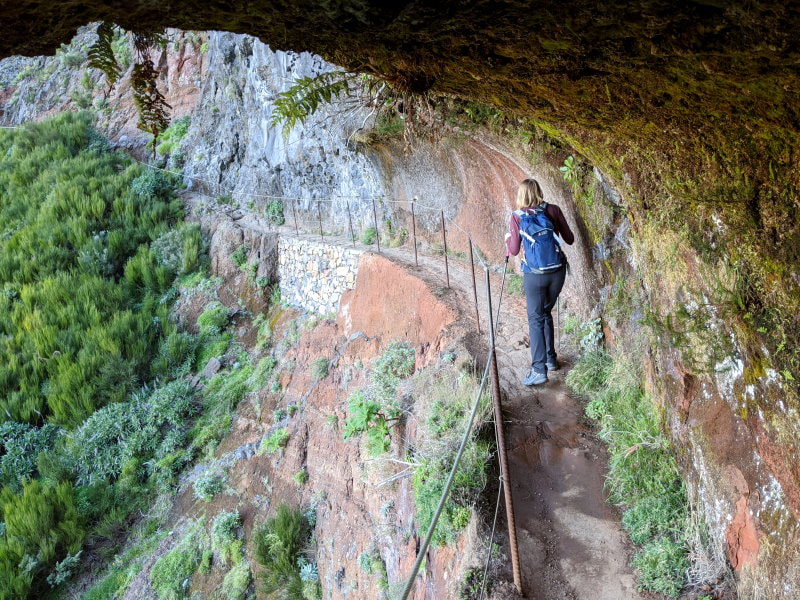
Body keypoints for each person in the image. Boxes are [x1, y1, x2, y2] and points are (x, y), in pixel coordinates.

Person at [505, 178, 574, 386]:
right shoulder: (553, 210)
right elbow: (569, 239)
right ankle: (551, 359)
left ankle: (538, 370)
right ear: (539, 191)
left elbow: (515, 249)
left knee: (536, 319)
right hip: (557, 273)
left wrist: (508, 238)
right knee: (545, 313)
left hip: (534, 275)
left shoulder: (517, 217)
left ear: (520, 195)